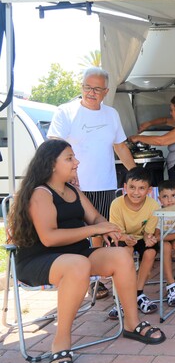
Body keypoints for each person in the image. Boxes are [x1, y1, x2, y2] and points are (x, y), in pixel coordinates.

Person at [8, 139, 165, 363]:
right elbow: (49, 238)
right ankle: (61, 342)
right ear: (51, 164)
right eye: (69, 158)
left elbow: (95, 217)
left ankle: (131, 323)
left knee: (121, 256)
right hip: (40, 259)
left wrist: (110, 228)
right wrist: (94, 230)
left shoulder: (73, 190)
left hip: (77, 255)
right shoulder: (40, 193)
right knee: (78, 264)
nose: (76, 162)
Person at [47, 67, 137, 300]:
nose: (91, 92)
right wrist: (64, 174)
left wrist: (136, 174)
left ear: (106, 91)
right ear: (81, 87)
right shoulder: (65, 111)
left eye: (97, 89)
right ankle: (76, 276)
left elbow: (120, 146)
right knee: (76, 233)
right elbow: (53, 146)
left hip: (105, 183)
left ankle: (97, 278)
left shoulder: (111, 114)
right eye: (87, 87)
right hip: (72, 186)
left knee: (101, 231)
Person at [108, 167, 161, 318]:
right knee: (126, 253)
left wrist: (148, 238)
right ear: (125, 187)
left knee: (150, 252)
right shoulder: (116, 204)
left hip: (140, 237)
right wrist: (126, 238)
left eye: (141, 188)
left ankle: (138, 293)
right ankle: (121, 298)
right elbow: (116, 232)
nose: (136, 192)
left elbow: (148, 232)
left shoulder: (153, 205)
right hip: (121, 237)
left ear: (149, 190)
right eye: (132, 187)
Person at [131, 94, 175, 202]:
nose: (170, 113)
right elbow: (164, 120)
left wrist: (138, 138)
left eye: (172, 110)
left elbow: (162, 141)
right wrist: (148, 124)